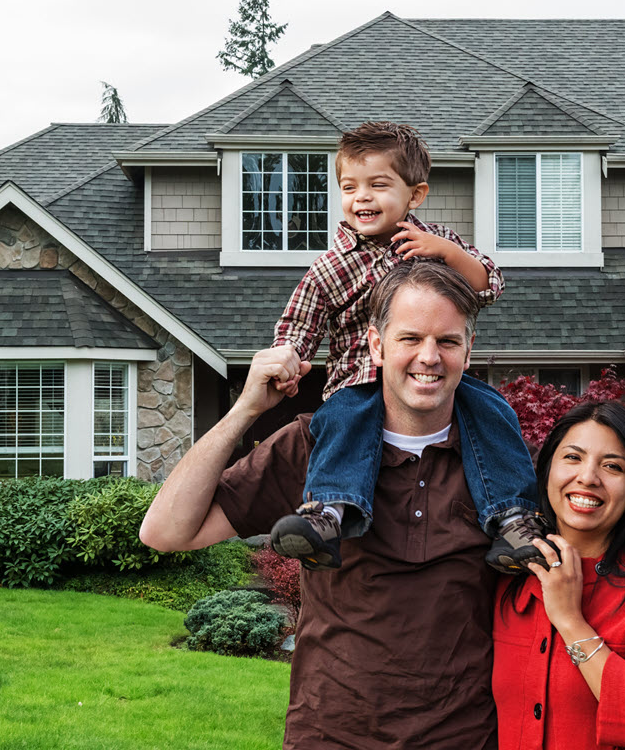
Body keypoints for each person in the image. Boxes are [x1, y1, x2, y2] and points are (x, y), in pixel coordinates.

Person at [141, 262, 502, 748]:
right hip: (330, 732)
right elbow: (165, 531)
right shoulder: (315, 446)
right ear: (376, 344)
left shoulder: (498, 463)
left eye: (449, 342)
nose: (429, 357)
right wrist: (245, 410)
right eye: (410, 339)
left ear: (468, 349)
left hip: (463, 735)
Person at [267, 121, 546, 573]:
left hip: (434, 377)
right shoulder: (331, 266)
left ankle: (512, 518)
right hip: (359, 381)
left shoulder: (437, 244)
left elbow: (489, 285)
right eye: (349, 187)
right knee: (339, 422)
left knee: (492, 410)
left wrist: (446, 253)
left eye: (378, 185)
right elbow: (301, 323)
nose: (362, 197)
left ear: (415, 194)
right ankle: (328, 514)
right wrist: (289, 358)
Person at [492, 401, 625, 750]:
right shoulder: (508, 579)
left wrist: (570, 621)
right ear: (545, 473)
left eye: (612, 466)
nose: (588, 477)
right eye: (573, 458)